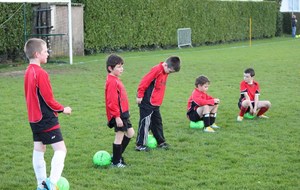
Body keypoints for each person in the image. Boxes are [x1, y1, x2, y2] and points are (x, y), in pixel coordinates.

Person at [23, 38, 72, 190]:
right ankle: (51, 183)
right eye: (45, 51)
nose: (48, 54)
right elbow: (48, 99)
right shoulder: (40, 73)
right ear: (37, 54)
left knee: (39, 148)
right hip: (45, 118)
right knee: (61, 149)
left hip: (33, 118)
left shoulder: (27, 71)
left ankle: (41, 184)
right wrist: (63, 109)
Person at [135, 56, 181, 151]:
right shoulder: (157, 70)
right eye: (170, 71)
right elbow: (144, 81)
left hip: (156, 103)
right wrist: (139, 95)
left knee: (157, 122)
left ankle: (161, 142)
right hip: (147, 101)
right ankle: (140, 145)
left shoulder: (165, 71)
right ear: (165, 65)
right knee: (145, 123)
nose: (170, 73)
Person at [105, 54, 135, 168]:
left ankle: (117, 156)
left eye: (122, 66)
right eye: (118, 67)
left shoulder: (115, 79)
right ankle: (116, 162)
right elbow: (112, 101)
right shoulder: (112, 81)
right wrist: (117, 117)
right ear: (110, 68)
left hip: (123, 113)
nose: (121, 69)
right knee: (119, 136)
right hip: (119, 114)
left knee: (130, 133)